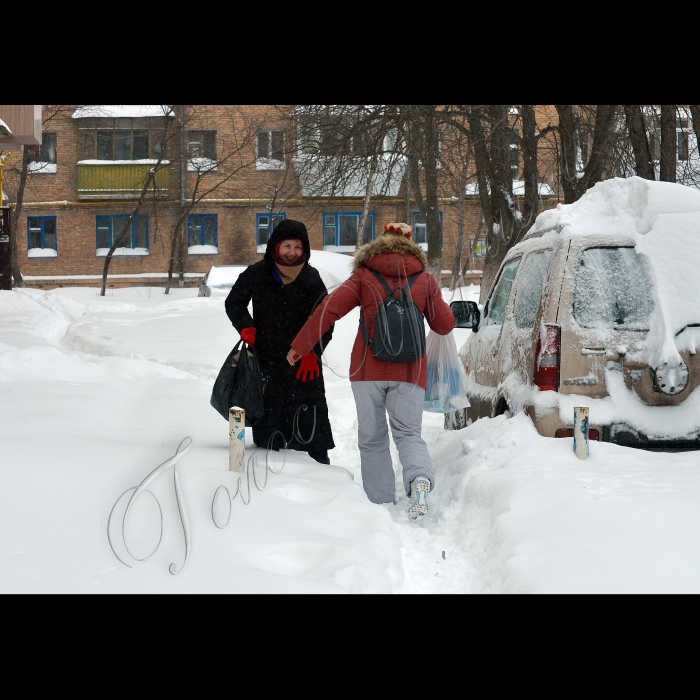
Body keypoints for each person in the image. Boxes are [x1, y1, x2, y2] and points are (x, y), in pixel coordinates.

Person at [288, 223, 455, 519]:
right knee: (408, 434)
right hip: (410, 372)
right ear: (411, 247)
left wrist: (300, 347)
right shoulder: (424, 280)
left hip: (367, 371)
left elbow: (328, 310)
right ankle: (418, 481)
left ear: (380, 244)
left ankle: (380, 504)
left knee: (373, 437)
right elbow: (444, 325)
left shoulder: (364, 276)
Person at [225, 219, 334, 463]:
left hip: (303, 365)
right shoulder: (258, 273)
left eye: (298, 247)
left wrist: (312, 353)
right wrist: (246, 327)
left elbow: (326, 318)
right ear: (275, 246)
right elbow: (234, 302)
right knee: (270, 430)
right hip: (267, 362)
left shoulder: (311, 277)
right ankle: (272, 487)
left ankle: (322, 481)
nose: (292, 252)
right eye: (287, 246)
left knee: (309, 428)